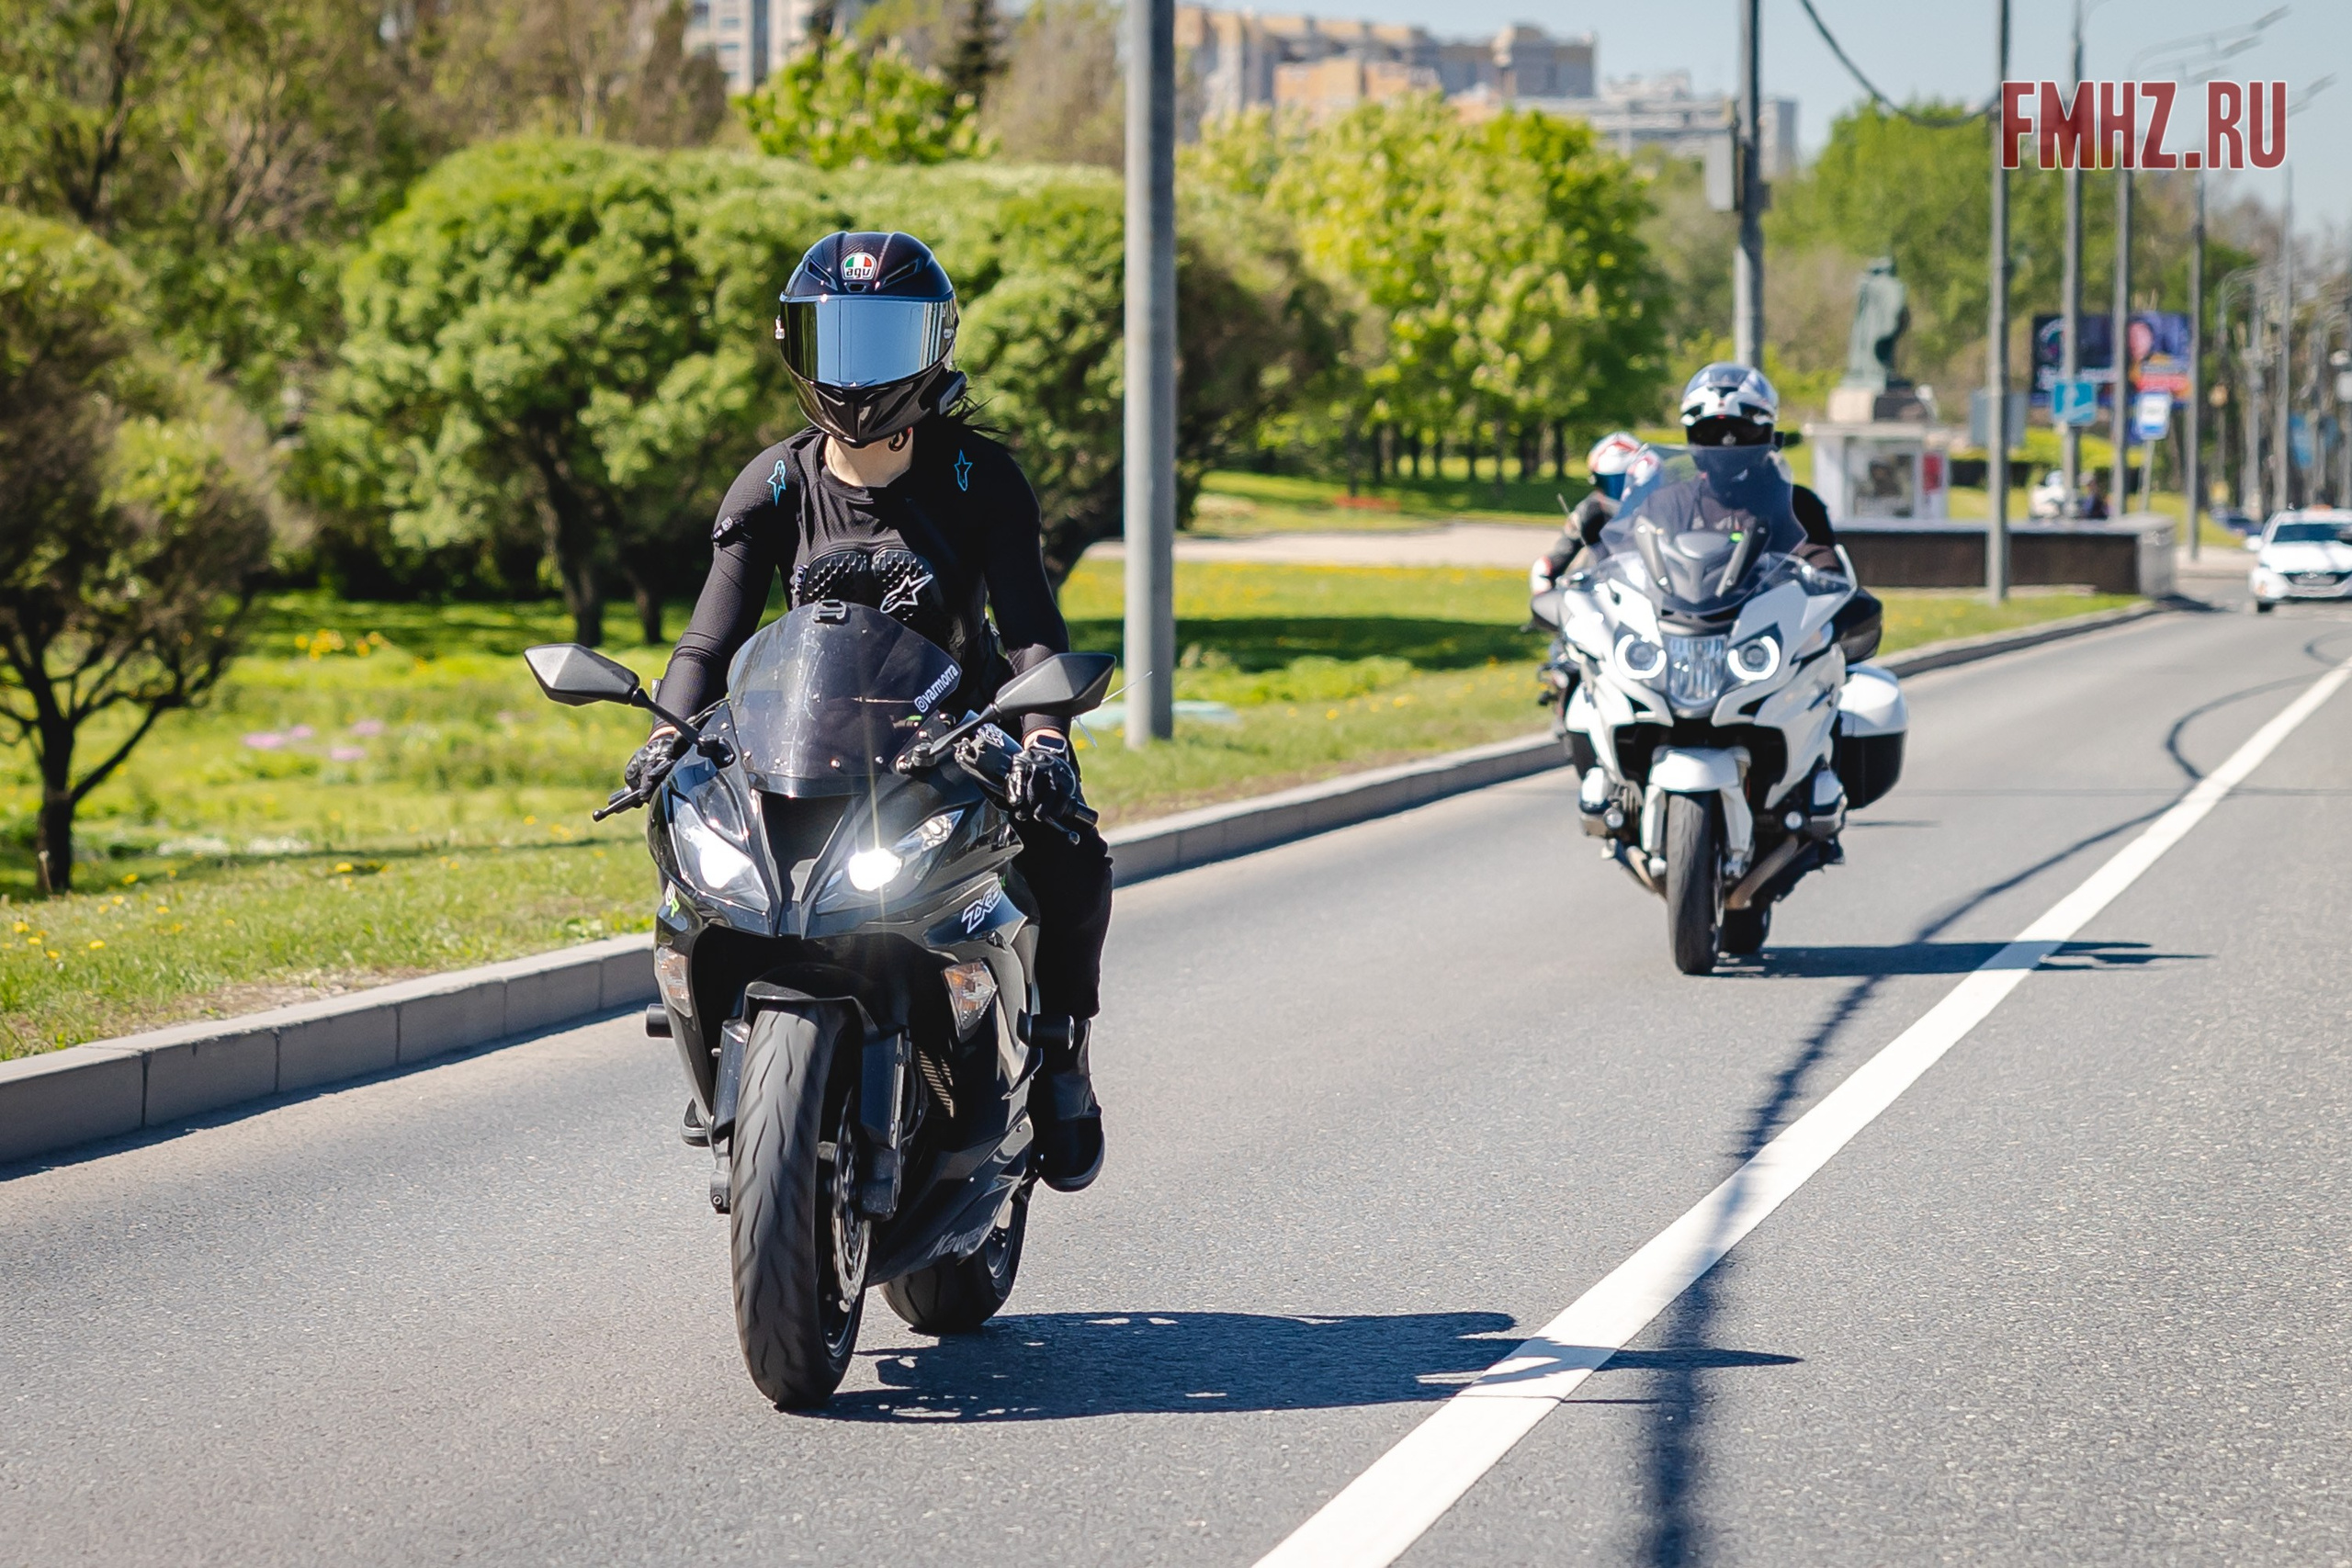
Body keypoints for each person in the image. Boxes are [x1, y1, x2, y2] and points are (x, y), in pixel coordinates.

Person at [630, 230, 1113, 1194]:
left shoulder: (979, 478)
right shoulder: (775, 479)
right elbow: (704, 646)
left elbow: (1027, 635)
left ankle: (1062, 1056)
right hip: (795, 745)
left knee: (1071, 850)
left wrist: (1046, 734)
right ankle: (725, 1070)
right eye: (836, 340)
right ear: (796, 345)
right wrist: (661, 736)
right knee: (690, 870)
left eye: (883, 343)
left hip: (947, 739)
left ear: (931, 346)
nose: (857, 374)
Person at [1672, 362, 1882, 659]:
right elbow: (1629, 563)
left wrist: (1830, 581)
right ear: (1692, 439)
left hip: (1768, 651)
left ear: (1768, 436)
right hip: (1678, 646)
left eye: (1740, 433)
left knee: (1871, 698)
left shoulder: (1796, 504)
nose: (1726, 444)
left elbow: (1822, 566)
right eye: (1711, 432)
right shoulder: (1671, 503)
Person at [1530, 431, 1642, 592]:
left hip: (1648, 597)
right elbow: (1557, 557)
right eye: (1610, 483)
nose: (1620, 492)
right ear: (1596, 481)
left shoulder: (1657, 510)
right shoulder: (1589, 513)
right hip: (1601, 596)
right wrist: (1544, 587)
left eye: (1626, 481)